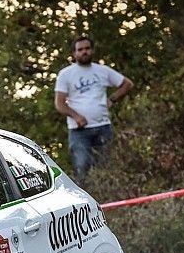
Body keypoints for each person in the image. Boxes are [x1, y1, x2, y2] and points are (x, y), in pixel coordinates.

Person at [54, 36, 133, 183]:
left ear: (92, 50)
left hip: (103, 126)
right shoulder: (66, 74)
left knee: (106, 168)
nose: (84, 52)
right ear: (74, 53)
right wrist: (76, 116)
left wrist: (112, 99)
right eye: (80, 49)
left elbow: (127, 84)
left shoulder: (102, 70)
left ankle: (108, 198)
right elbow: (60, 103)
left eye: (87, 49)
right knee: (82, 166)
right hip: (79, 131)